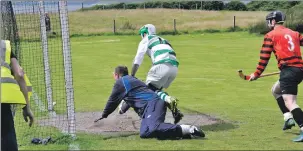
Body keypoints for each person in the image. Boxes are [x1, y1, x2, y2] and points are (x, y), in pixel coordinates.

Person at [96, 66, 205, 140]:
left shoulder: (121, 82)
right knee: (145, 133)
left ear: (116, 75)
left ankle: (189, 128)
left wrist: (104, 114)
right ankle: (183, 134)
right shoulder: (131, 80)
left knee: (154, 127)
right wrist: (122, 109)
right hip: (149, 107)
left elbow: (112, 100)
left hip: (153, 103)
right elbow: (128, 100)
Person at [248, 11, 303, 142]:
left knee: (290, 102)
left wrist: (256, 74)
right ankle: (288, 117)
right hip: (299, 70)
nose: (268, 24)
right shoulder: (294, 33)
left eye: (269, 21)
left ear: (273, 22)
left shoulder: (270, 35)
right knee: (276, 90)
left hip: (288, 71)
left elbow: (264, 58)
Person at [120, 24, 183, 124]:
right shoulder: (164, 39)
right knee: (156, 91)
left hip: (161, 65)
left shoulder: (146, 39)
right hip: (174, 68)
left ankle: (168, 99)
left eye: (141, 34)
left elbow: (138, 59)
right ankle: (175, 112)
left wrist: (132, 75)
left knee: (149, 89)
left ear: (144, 33)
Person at [1, 40, 34, 151]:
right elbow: (19, 74)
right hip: (2, 103)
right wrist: (26, 107)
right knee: (6, 137)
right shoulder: (4, 46)